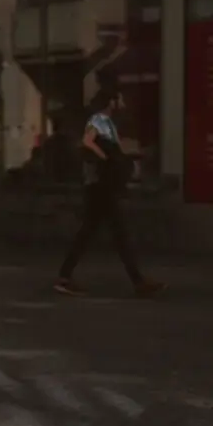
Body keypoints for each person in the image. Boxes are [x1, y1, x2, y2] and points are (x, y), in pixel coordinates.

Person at [54, 89, 165, 297]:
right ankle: (138, 282)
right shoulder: (99, 119)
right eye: (119, 99)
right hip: (100, 188)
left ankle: (65, 277)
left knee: (91, 233)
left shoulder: (107, 123)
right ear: (111, 102)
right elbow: (88, 142)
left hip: (101, 187)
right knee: (114, 234)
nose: (122, 102)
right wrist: (105, 158)